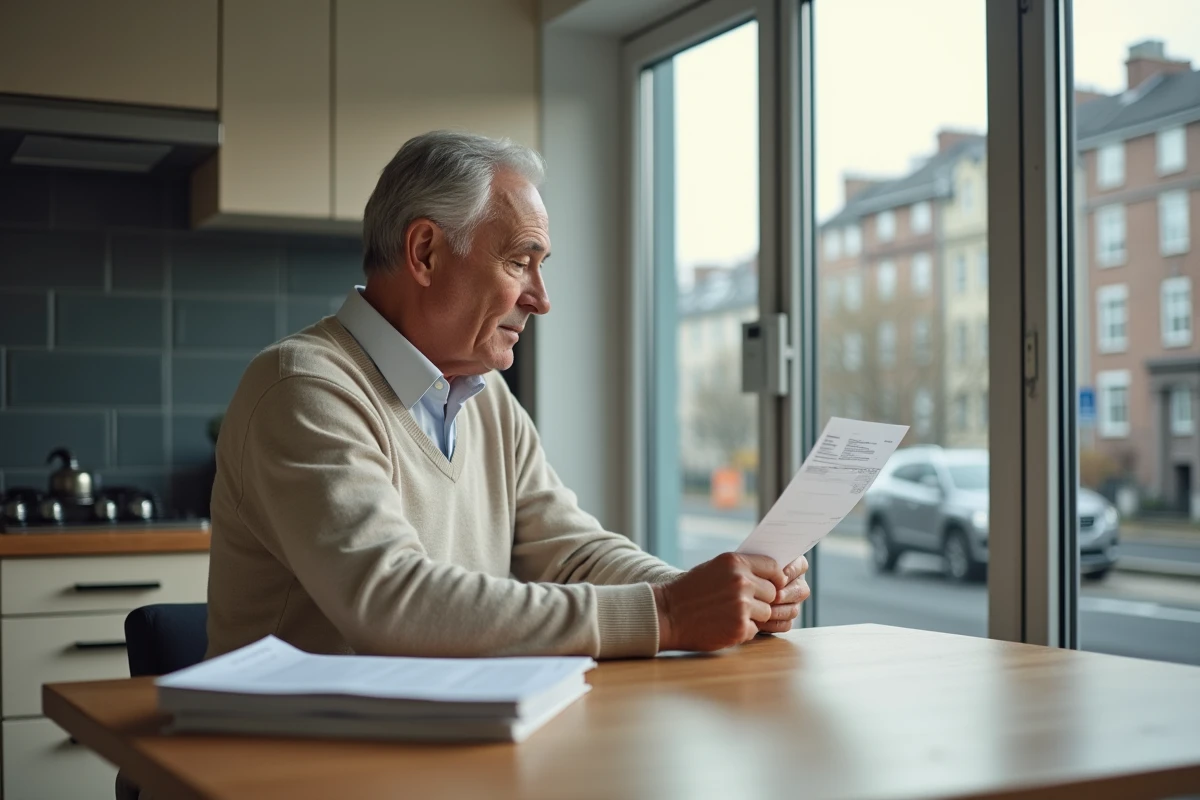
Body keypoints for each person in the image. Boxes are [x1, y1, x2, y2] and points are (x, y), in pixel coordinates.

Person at [205, 131, 810, 660]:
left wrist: (716, 596)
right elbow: (391, 602)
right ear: (425, 253)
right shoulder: (305, 388)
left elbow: (572, 554)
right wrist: (672, 614)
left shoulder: (486, 400)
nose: (541, 298)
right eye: (521, 261)